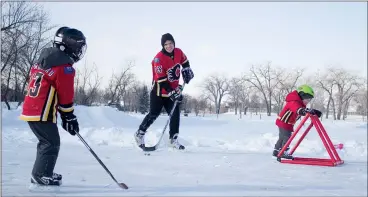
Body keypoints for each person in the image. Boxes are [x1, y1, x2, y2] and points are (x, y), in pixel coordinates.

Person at [19, 26, 87, 186]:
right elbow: (65, 94)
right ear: (66, 45)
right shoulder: (64, 67)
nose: (78, 51)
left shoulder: (43, 62)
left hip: (31, 110)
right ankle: (41, 174)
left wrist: (65, 116)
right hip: (42, 112)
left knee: (46, 141)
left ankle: (43, 172)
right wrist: (69, 116)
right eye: (76, 46)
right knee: (51, 142)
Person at [134, 33, 194, 150]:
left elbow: (185, 62)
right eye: (166, 44)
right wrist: (171, 92)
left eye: (170, 43)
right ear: (163, 45)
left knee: (175, 114)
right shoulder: (158, 59)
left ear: (174, 43)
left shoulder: (178, 52)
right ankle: (139, 133)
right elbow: (161, 80)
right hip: (159, 91)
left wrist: (186, 69)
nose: (169, 46)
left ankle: (173, 139)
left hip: (173, 89)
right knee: (153, 114)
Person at [273, 84, 322, 159]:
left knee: (282, 137)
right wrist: (304, 110)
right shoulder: (293, 102)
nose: (308, 101)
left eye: (309, 100)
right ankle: (283, 152)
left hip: (286, 123)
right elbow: (298, 110)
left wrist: (313, 111)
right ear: (302, 95)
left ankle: (276, 150)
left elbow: (302, 110)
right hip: (284, 122)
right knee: (286, 137)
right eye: (307, 99)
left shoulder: (299, 103)